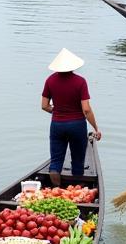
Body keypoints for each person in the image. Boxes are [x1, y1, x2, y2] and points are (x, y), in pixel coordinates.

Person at [41, 48, 102, 185]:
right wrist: (96, 128)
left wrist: (56, 111)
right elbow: (86, 109)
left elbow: (44, 106)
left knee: (56, 162)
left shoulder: (50, 81)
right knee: (78, 162)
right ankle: (76, 189)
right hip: (77, 125)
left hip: (57, 125)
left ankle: (57, 188)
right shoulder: (80, 82)